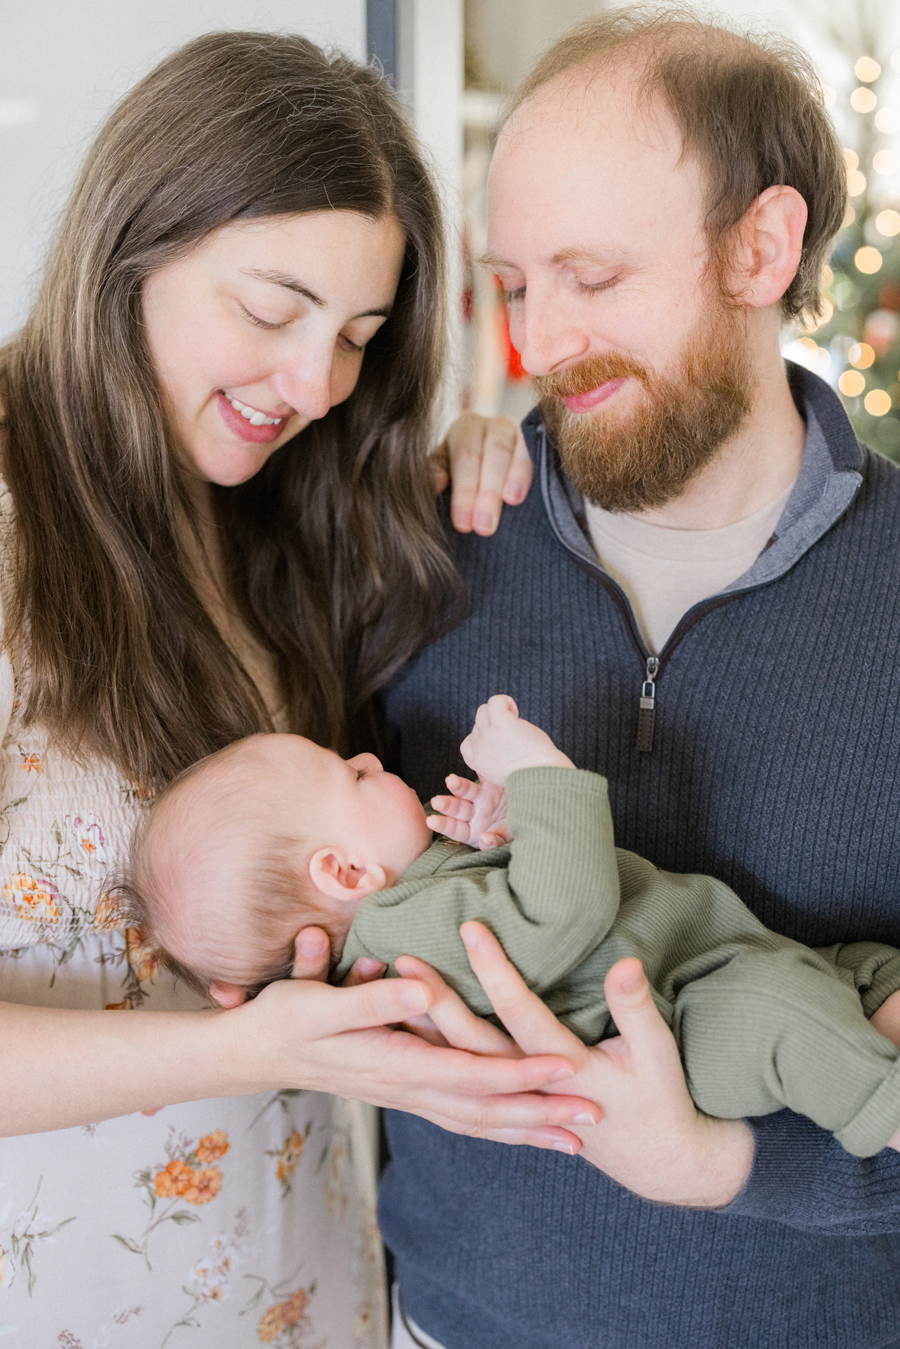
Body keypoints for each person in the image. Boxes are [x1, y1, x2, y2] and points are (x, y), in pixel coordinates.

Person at [0, 30, 592, 1348]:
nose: (315, 386)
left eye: (359, 340)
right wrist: (253, 1046)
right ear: (133, 245)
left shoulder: (278, 513)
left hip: (308, 1289)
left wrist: (478, 459)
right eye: (273, 311)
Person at [374, 10, 900, 1349]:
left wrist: (729, 1163)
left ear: (761, 248)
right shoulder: (428, 546)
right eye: (513, 284)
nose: (541, 344)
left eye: (592, 278)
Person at [124, 695, 900, 1157]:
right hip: (688, 1017)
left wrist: (506, 836)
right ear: (347, 873)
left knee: (856, 977)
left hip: (711, 962)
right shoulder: (406, 937)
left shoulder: (417, 904)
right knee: (786, 1020)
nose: (368, 755)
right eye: (353, 775)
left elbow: (521, 914)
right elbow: (562, 911)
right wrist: (540, 778)